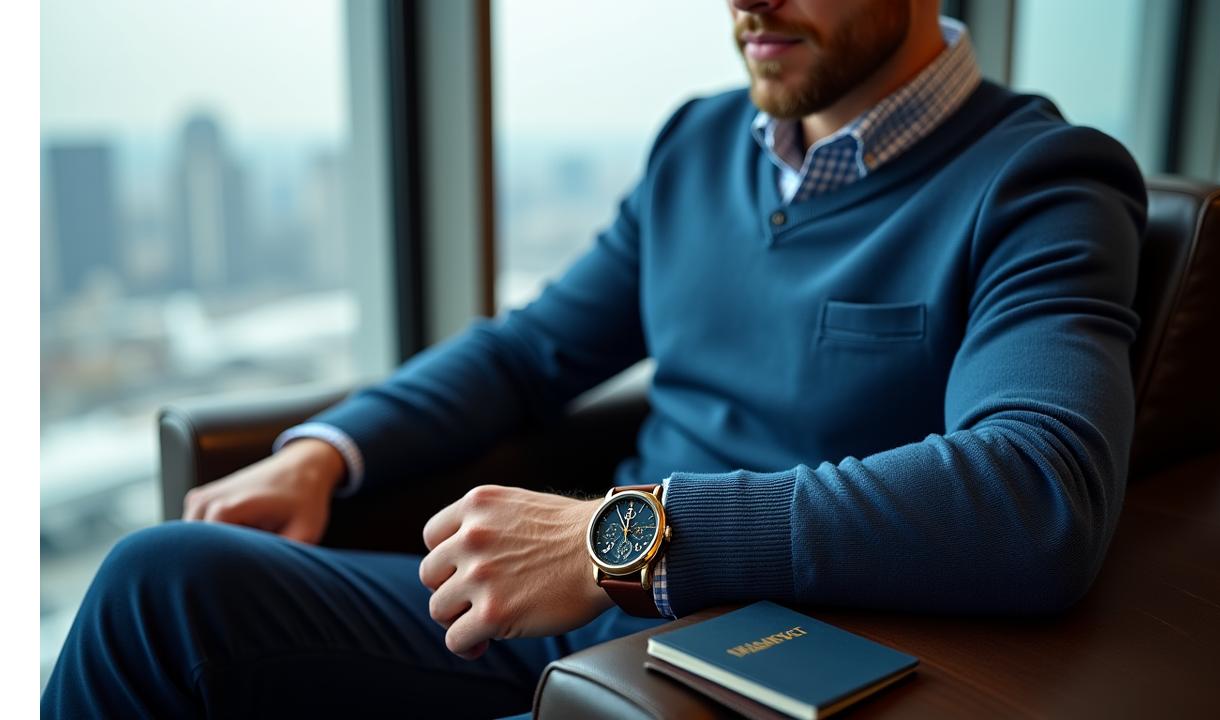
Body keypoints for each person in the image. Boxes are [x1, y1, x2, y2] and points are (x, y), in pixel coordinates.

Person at [42, 0, 1146, 716]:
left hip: (732, 667)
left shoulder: (1039, 181)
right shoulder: (697, 146)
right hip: (565, 609)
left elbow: (1037, 491)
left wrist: (626, 538)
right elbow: (529, 350)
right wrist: (328, 453)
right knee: (157, 582)